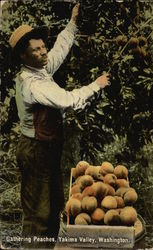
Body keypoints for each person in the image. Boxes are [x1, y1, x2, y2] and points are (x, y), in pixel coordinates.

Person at [9, 3, 110, 249]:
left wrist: (73, 23)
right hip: (35, 151)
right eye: (37, 50)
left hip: (48, 148)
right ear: (24, 56)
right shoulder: (33, 84)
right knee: (38, 215)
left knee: (54, 207)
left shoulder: (41, 68)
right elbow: (67, 100)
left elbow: (60, 49)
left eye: (43, 47)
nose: (44, 52)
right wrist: (96, 85)